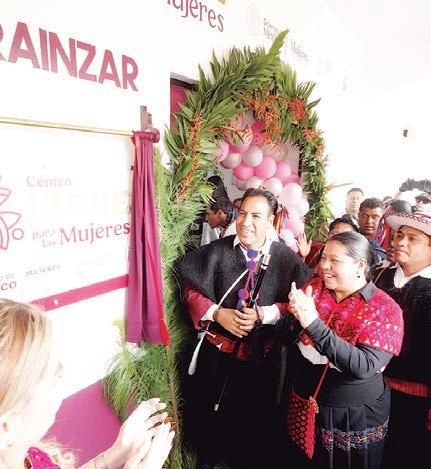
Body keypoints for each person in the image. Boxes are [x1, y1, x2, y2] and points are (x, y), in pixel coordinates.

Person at [180, 188, 313, 469]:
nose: (246, 222)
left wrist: (265, 314)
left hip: (261, 363)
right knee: (209, 429)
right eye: (242, 213)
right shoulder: (215, 252)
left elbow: (299, 301)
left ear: (271, 221)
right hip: (216, 358)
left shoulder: (285, 259)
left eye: (256, 216)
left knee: (251, 433)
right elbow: (191, 291)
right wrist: (218, 314)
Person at [274, 231, 404, 469]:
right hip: (303, 396)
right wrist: (295, 317)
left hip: (353, 413)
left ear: (360, 265)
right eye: (323, 258)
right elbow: (283, 337)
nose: (324, 266)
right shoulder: (314, 288)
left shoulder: (385, 309)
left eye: (335, 260)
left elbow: (364, 367)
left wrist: (313, 324)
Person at [0, 299, 174, 469]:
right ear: (5, 427)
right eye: (51, 375)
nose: (61, 372)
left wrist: (113, 456)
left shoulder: (24, 455)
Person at [373, 211, 431, 468]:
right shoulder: (379, 277)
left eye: (413, 238)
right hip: (370, 391)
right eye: (399, 235)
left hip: (416, 400)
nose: (401, 242)